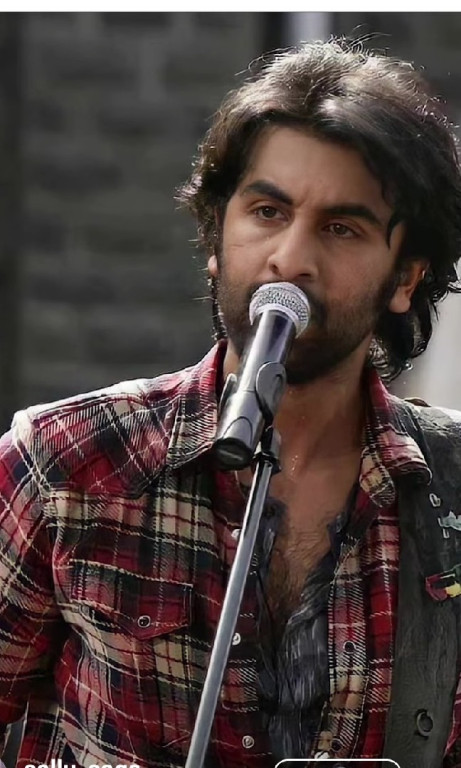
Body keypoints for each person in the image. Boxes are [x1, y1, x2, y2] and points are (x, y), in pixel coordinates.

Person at [0, 37, 461, 768]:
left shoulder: (450, 489)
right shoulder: (63, 462)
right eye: (267, 211)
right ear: (217, 235)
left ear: (404, 277)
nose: (290, 258)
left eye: (341, 228)